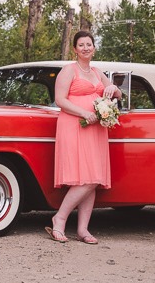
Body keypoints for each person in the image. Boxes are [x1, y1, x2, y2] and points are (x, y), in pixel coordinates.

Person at [46, 30, 121, 244]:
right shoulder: (68, 70)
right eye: (81, 45)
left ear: (94, 48)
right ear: (75, 49)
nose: (86, 48)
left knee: (93, 178)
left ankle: (83, 229)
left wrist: (114, 88)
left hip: (96, 128)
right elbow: (60, 99)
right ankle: (59, 218)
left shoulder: (98, 73)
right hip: (74, 125)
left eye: (89, 44)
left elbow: (116, 95)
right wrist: (84, 113)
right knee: (84, 177)